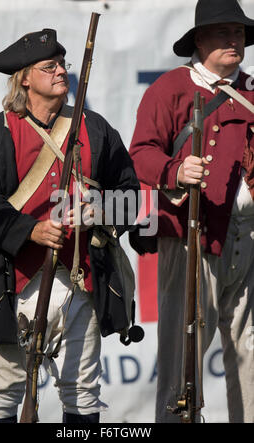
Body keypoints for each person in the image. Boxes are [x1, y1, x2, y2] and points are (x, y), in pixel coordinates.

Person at [0, 28, 140, 423]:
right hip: (14, 281)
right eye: (50, 66)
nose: (61, 71)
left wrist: (98, 209)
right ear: (25, 78)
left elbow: (131, 193)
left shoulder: (95, 129)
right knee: (2, 393)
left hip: (83, 280)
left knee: (82, 390)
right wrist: (30, 230)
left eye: (62, 64)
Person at [129, 0, 254, 423]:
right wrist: (176, 169)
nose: (234, 40)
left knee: (249, 351)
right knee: (184, 357)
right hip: (191, 236)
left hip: (246, 239)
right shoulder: (171, 88)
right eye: (223, 32)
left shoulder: (253, 91)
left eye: (238, 32)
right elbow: (141, 153)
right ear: (200, 41)